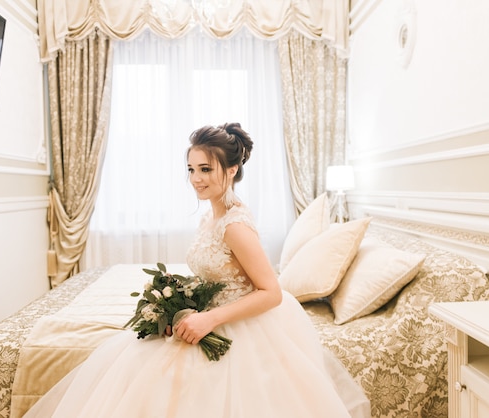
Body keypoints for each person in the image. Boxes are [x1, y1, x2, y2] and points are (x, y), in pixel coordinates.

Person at [23, 123, 370, 417]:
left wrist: (208, 319)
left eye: (205, 169)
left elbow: (272, 292)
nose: (195, 179)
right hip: (212, 309)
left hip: (240, 324)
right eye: (191, 169)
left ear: (232, 170)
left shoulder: (234, 224)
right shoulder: (212, 212)